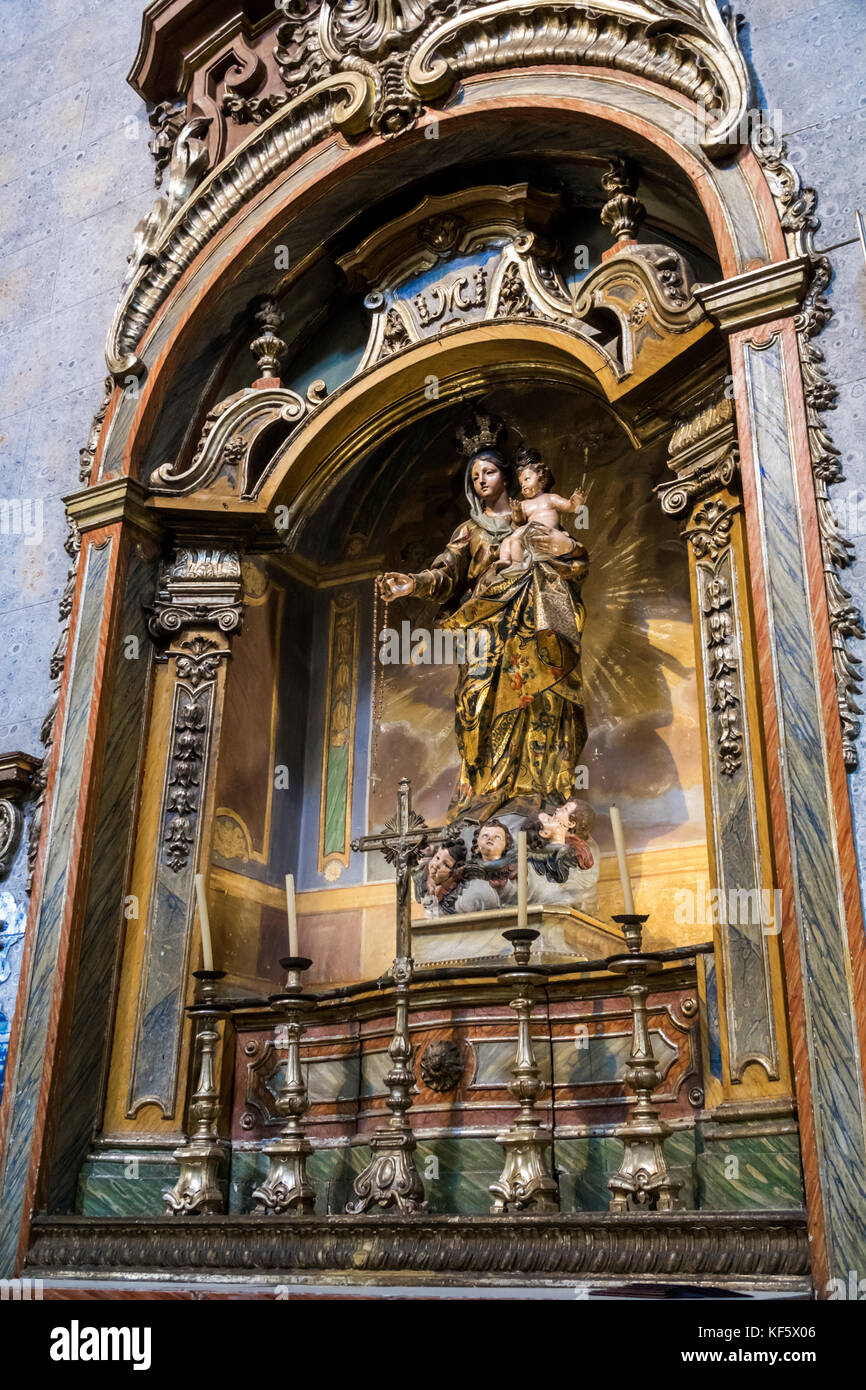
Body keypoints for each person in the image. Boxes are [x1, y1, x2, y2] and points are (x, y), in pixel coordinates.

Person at [378, 439, 589, 821]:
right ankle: (482, 791)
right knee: (474, 706)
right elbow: (446, 572)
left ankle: (533, 791)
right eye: (474, 477)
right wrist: (413, 583)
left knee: (538, 697)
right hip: (484, 628)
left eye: (488, 472)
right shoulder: (469, 529)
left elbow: (573, 561)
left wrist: (566, 547)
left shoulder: (537, 516)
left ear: (507, 477)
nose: (481, 481)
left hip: (532, 619)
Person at [498, 447, 584, 569]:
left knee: (517, 534)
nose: (524, 486)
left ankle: (518, 564)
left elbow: (569, 507)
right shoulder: (524, 504)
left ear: (541, 478)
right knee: (508, 541)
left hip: (547, 533)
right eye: (521, 484)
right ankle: (507, 561)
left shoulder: (550, 498)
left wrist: (575, 502)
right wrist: (517, 510)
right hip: (529, 537)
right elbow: (519, 521)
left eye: (527, 480)